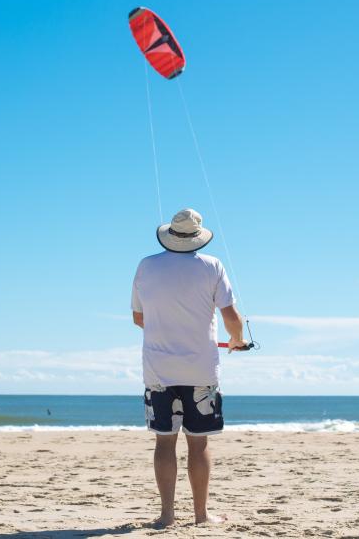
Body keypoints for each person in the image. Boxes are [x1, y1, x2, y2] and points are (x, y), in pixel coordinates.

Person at [131, 208, 247, 527]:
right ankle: (201, 515)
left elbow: (139, 318)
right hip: (201, 372)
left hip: (158, 371)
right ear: (198, 238)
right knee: (199, 442)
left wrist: (167, 331)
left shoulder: (146, 265)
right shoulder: (212, 266)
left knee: (164, 441)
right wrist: (236, 340)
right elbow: (232, 318)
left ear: (170, 236)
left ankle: (166, 516)